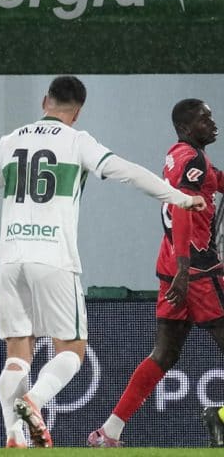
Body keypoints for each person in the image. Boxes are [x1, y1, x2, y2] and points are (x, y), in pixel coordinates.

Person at [0, 76, 205, 448]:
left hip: (11, 257)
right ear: (77, 111)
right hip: (54, 257)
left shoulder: (10, 141)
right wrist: (179, 197)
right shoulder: (77, 141)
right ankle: (33, 402)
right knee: (72, 348)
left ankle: (15, 435)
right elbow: (127, 172)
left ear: (45, 101)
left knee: (18, 349)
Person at [88, 99, 222, 448]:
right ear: (185, 127)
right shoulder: (193, 159)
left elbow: (213, 180)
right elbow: (181, 209)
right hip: (195, 269)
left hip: (170, 267)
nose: (212, 122)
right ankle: (221, 418)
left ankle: (110, 431)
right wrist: (184, 268)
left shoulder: (180, 154)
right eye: (204, 119)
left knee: (163, 354)